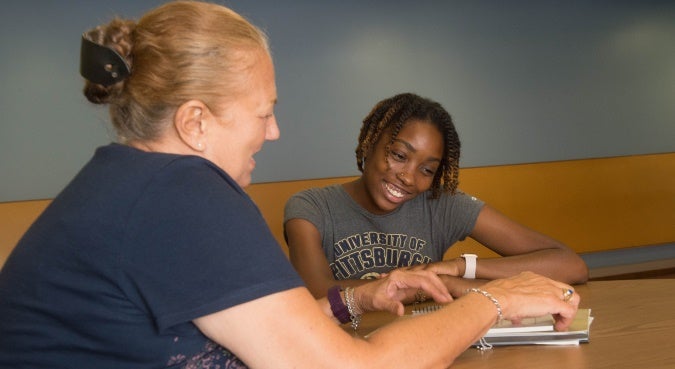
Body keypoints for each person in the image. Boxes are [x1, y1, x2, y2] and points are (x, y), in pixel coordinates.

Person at [0, 2, 580, 368]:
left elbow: (261, 326)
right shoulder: (180, 193)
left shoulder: (135, 182)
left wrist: (357, 298)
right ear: (196, 122)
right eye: (263, 112)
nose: (274, 132)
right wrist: (493, 298)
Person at [284, 92, 589, 299]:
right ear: (368, 144)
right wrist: (425, 286)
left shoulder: (441, 206)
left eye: (427, 170)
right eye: (399, 155)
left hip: (427, 343)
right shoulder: (311, 208)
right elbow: (315, 291)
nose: (408, 177)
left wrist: (459, 270)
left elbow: (570, 265)